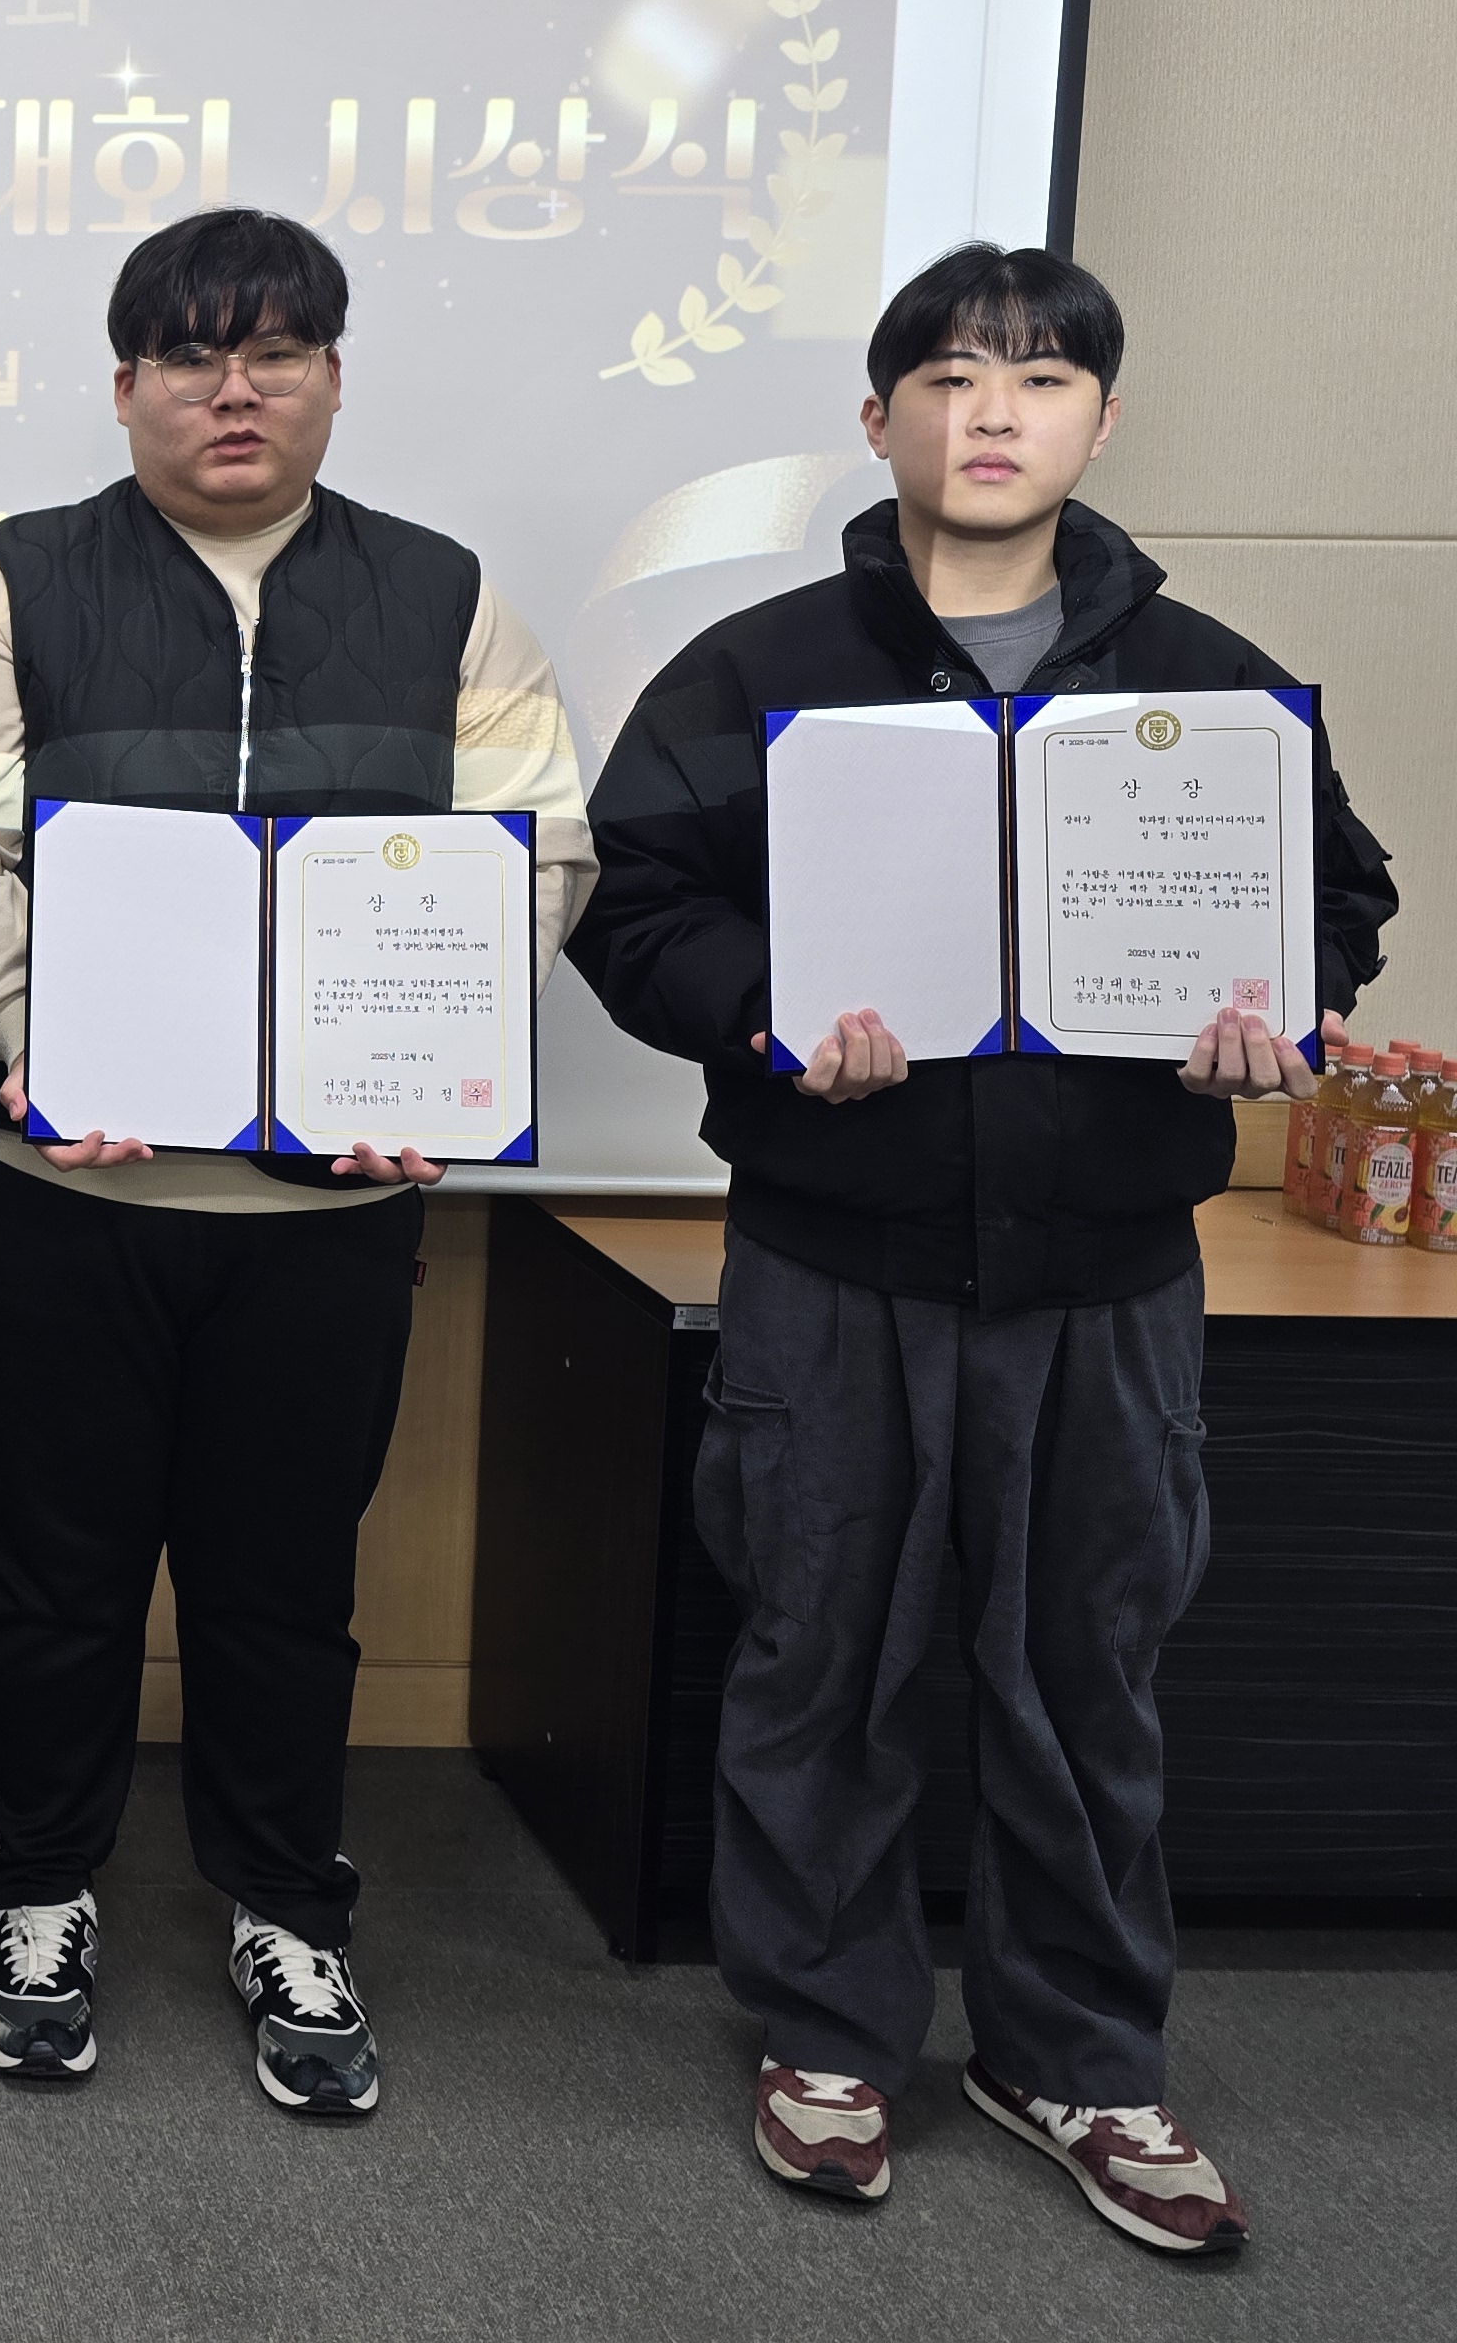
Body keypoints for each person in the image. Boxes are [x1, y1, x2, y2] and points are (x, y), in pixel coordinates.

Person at [569, 242, 1397, 2254]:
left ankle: (1078, 2056)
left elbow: (1336, 899)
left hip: (1104, 1273)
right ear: (877, 422)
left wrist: (1273, 1011)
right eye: (945, 376)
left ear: (1101, 423)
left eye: (1037, 379)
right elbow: (634, 909)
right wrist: (769, 1011)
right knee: (819, 1656)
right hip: (830, 1260)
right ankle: (825, 2033)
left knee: (1082, 1672)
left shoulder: (1205, 678)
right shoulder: (755, 670)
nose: (989, 412)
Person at [0, 207, 594, 2117]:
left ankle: (288, 1905)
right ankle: (39, 1889)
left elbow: (538, 848)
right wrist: (41, 1038)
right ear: (126, 384)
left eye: (277, 352)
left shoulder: (446, 594)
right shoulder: (12, 580)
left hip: (328, 1209)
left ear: (332, 379)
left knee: (284, 1584)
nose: (238, 390)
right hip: (56, 1183)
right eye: (193, 356)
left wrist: (436, 1055)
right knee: (49, 1581)